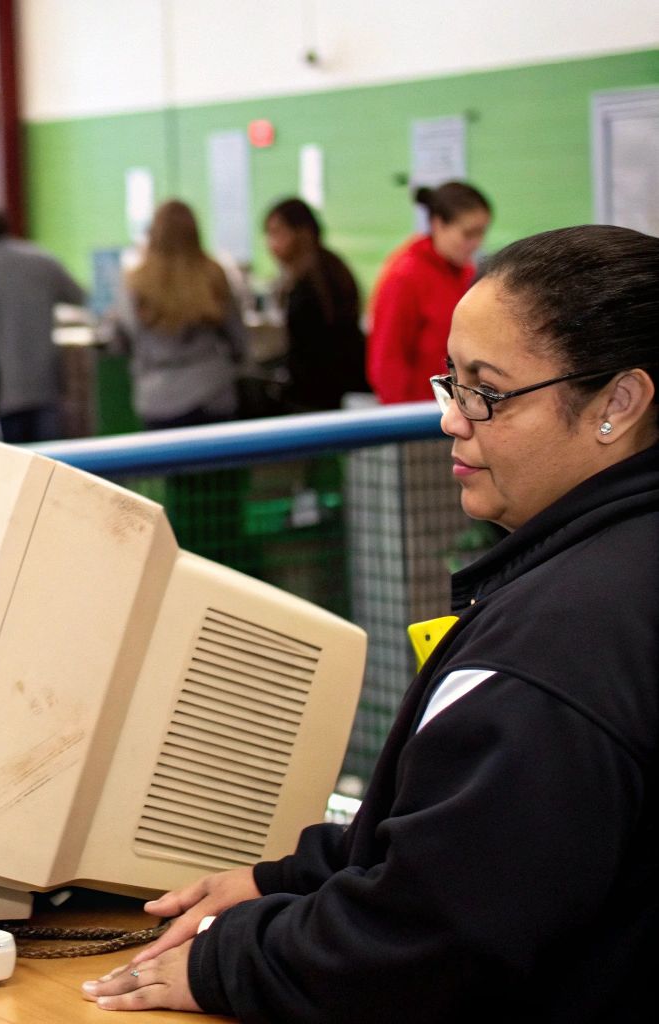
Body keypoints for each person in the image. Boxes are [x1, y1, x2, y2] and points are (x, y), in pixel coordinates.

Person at [82, 224, 659, 1021]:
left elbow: (432, 939)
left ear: (618, 403)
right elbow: (485, 840)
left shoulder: (558, 648)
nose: (453, 419)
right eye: (449, 383)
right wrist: (286, 878)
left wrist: (228, 958)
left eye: (485, 391)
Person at [0, 209, 89, 442]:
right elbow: (78, 295)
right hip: (43, 384)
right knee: (51, 465)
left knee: (13, 469)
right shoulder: (41, 261)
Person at [106, 200, 247, 430]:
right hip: (212, 391)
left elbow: (119, 342)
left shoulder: (135, 282)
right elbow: (238, 340)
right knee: (215, 465)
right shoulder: (213, 275)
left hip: (158, 398)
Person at [367, 181, 491, 404]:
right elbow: (386, 361)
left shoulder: (466, 272)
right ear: (438, 224)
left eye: (481, 233)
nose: (476, 243)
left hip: (461, 405)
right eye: (468, 234)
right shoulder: (405, 276)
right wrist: (405, 420)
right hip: (420, 415)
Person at [263, 198, 368, 412]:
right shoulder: (332, 267)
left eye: (277, 233)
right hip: (341, 385)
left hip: (319, 395)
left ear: (300, 233)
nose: (270, 243)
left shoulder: (312, 282)